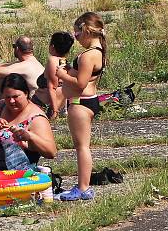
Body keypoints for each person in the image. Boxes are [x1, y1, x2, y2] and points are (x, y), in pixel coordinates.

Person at [56, 12, 106, 201]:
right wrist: (70, 69)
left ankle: (83, 187)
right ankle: (83, 186)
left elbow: (79, 84)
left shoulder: (88, 55)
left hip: (80, 103)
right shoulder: (99, 51)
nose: (75, 37)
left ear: (85, 29)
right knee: (82, 146)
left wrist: (62, 74)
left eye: (76, 33)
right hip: (88, 101)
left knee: (82, 147)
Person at [0, 73, 58, 172]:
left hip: (12, 169)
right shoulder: (1, 106)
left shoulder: (36, 118)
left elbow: (51, 152)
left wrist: (30, 136)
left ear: (26, 93)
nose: (11, 101)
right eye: (7, 97)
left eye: (16, 96)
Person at [36, 31, 75, 119]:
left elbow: (52, 87)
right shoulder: (65, 62)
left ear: (52, 46)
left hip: (42, 104)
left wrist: (54, 111)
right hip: (57, 104)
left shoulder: (52, 60)